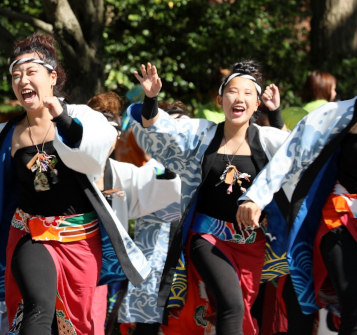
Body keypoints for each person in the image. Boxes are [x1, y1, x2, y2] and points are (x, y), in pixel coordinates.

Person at [0, 33, 179, 334]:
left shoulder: (83, 116)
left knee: (73, 327)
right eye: (16, 75)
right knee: (37, 309)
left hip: (80, 239)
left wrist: (62, 119)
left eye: (31, 72)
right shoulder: (2, 136)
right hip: (30, 233)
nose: (22, 80)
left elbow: (95, 152)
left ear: (52, 77)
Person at [129, 61, 290, 335]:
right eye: (232, 92)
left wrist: (276, 114)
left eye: (248, 93)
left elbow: (298, 153)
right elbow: (159, 129)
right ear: (220, 100)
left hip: (252, 242)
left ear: (257, 104)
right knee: (232, 305)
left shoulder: (267, 140)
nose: (239, 98)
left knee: (240, 310)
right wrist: (151, 97)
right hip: (208, 236)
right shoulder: (202, 134)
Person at [239, 97, 357, 335]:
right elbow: (287, 155)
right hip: (337, 217)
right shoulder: (335, 114)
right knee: (354, 307)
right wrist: (255, 197)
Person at [86, 92, 182, 335]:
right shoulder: (65, 168)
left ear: (118, 135)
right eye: (97, 130)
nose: (104, 138)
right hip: (67, 259)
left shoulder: (124, 173)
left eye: (112, 130)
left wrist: (174, 160)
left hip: (106, 271)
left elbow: (163, 180)